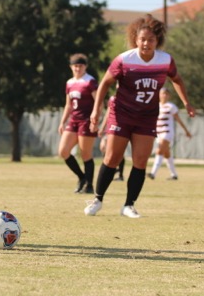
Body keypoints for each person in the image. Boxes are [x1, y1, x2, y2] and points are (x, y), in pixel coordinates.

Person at [85, 14, 195, 218]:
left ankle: (128, 205)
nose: (146, 43)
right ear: (136, 39)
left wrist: (186, 103)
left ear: (157, 41)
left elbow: (177, 80)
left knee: (141, 161)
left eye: (150, 40)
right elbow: (105, 83)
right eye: (142, 39)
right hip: (122, 114)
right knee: (112, 158)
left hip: (146, 117)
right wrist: (96, 109)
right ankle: (97, 199)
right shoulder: (124, 59)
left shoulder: (165, 60)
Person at [57, 53, 97, 194]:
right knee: (63, 151)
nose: (77, 68)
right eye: (75, 66)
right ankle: (82, 177)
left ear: (85, 66)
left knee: (85, 153)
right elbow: (68, 104)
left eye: (80, 66)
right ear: (71, 67)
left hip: (86, 120)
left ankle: (90, 185)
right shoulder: (69, 82)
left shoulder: (90, 81)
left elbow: (98, 102)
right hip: (73, 120)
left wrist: (95, 119)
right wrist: (62, 122)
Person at [147, 87, 192, 180]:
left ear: (169, 96)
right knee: (167, 154)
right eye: (162, 93)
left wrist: (186, 131)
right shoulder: (156, 106)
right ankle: (174, 175)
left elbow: (178, 120)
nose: (164, 95)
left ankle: (153, 173)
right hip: (158, 134)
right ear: (159, 95)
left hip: (167, 132)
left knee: (159, 151)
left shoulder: (171, 106)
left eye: (166, 94)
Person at [98, 95, 125, 181]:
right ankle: (112, 169)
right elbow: (108, 115)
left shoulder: (127, 98)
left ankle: (119, 173)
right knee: (103, 147)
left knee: (118, 152)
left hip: (121, 127)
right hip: (110, 127)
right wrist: (102, 128)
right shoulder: (113, 99)